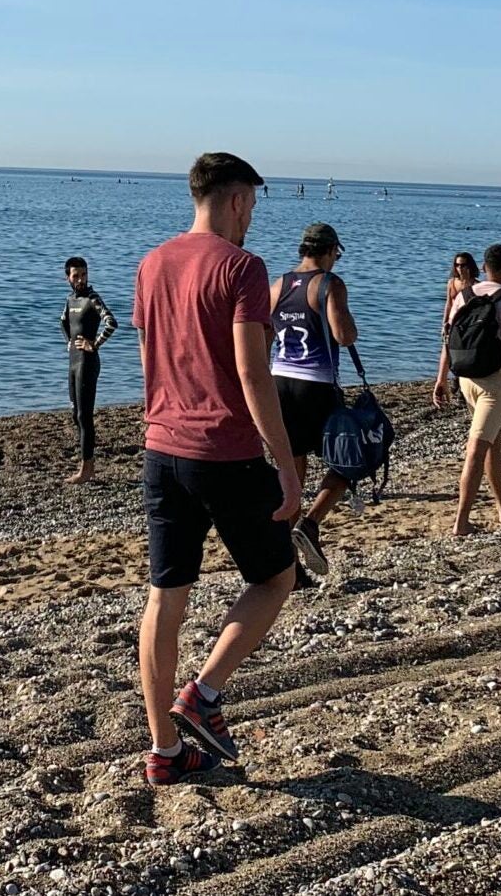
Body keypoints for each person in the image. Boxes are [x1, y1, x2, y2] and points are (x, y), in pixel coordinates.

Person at [132, 152, 296, 785]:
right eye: (251, 204)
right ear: (235, 200)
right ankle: (205, 693)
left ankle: (166, 753)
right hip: (223, 451)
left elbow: (153, 353)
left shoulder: (152, 263)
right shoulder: (243, 267)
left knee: (165, 598)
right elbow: (253, 373)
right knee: (274, 577)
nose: (252, 216)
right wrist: (284, 463)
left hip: (161, 448)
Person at [267, 222, 357, 580]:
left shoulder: (278, 285)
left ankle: (290, 566)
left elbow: (264, 335)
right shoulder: (329, 284)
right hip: (315, 385)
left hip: (278, 382)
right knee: (350, 459)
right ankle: (311, 523)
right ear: (330, 250)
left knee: (291, 473)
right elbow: (344, 335)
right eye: (337, 253)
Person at [433, 242, 501, 533]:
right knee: (477, 449)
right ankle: (461, 522)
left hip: (466, 379)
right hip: (494, 385)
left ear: (484, 268)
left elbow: (448, 340)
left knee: (493, 444)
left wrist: (440, 379)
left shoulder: (464, 296)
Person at [60, 256, 117, 484]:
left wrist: (95, 344)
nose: (81, 279)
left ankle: (87, 468)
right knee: (76, 414)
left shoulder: (92, 298)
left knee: (85, 415)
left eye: (84, 274)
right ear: (68, 278)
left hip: (87, 362)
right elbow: (63, 321)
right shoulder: (70, 299)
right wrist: (68, 341)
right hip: (73, 361)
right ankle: (86, 461)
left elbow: (111, 322)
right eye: (76, 275)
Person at [444, 253, 479, 324]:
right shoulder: (451, 282)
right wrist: (444, 323)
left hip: (467, 322)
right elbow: (448, 304)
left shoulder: (476, 285)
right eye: (457, 265)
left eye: (463, 265)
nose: (459, 268)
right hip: (453, 321)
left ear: (469, 266)